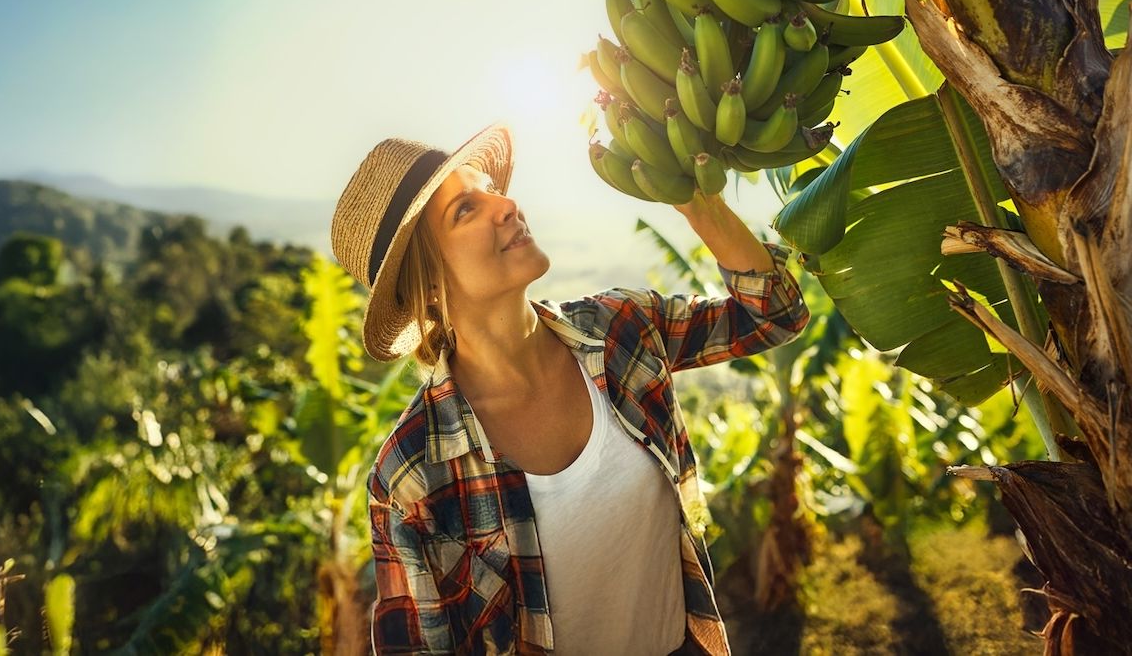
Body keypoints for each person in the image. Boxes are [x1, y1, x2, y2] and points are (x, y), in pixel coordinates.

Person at [330, 123, 809, 656]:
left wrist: (701, 205)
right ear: (430, 284)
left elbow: (774, 315)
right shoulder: (413, 472)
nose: (506, 204)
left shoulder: (619, 329)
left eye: (489, 186)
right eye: (465, 209)